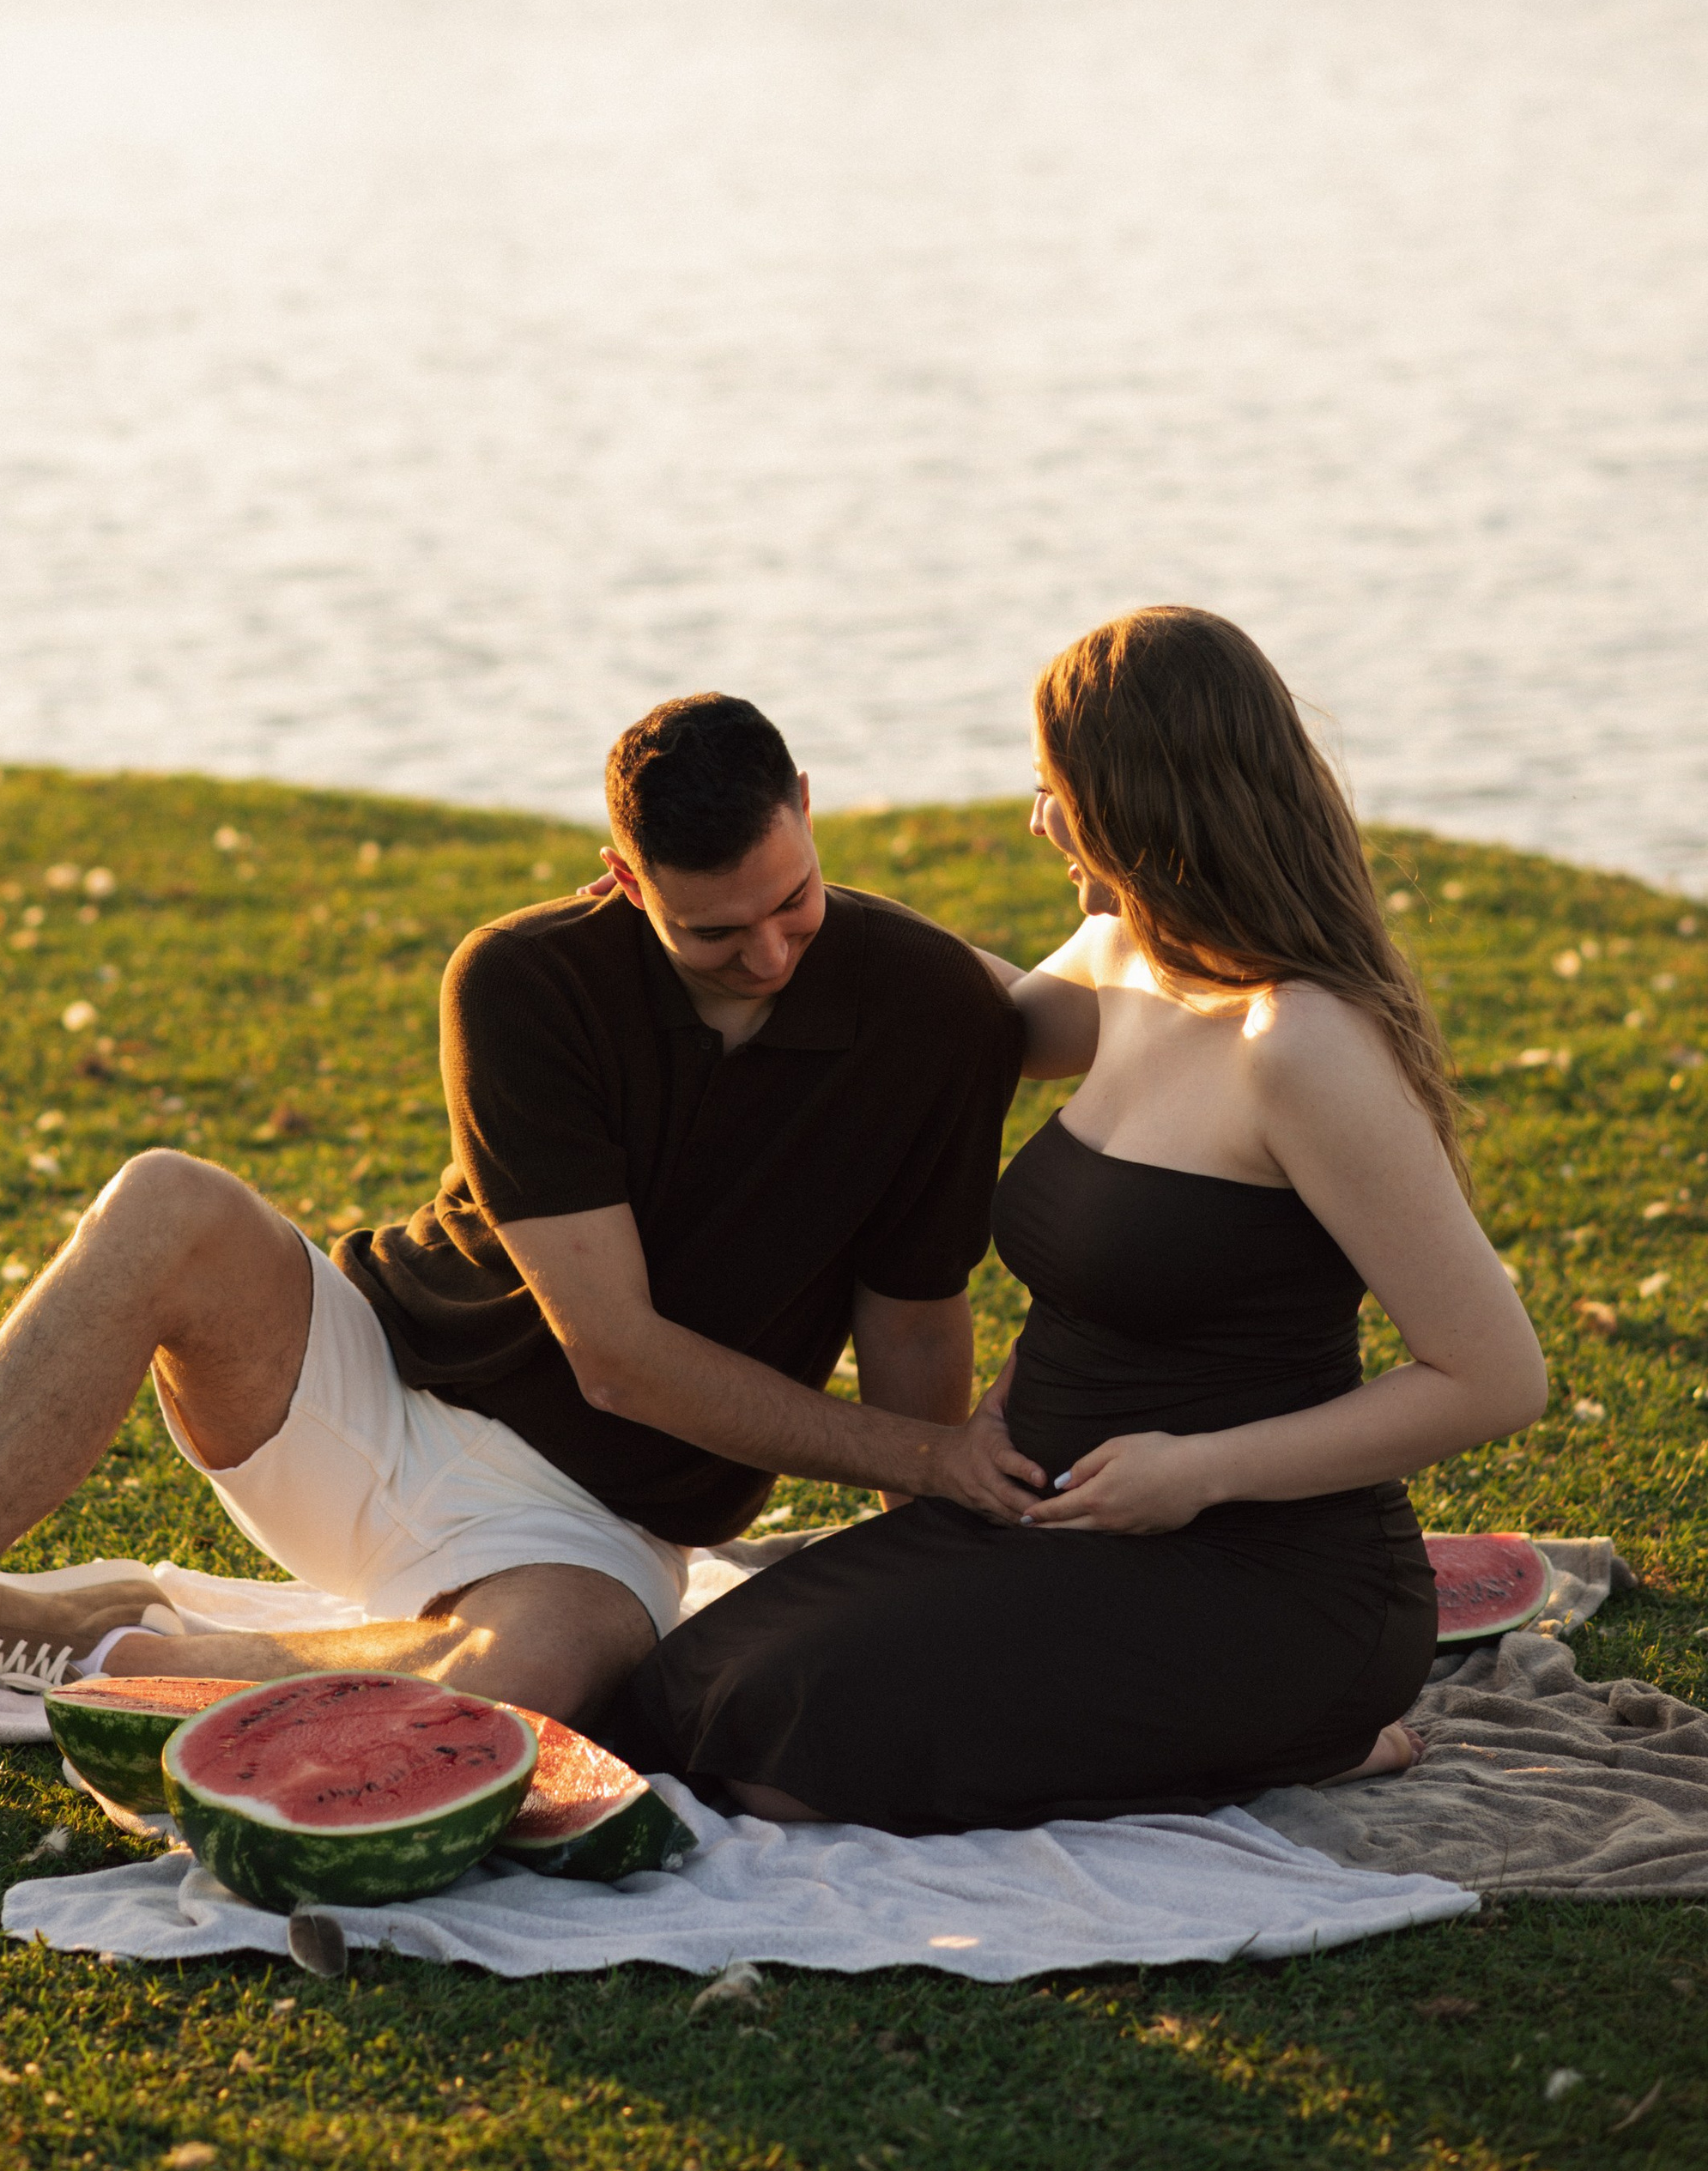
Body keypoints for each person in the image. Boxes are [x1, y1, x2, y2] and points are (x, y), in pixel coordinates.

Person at [0, 692, 1023, 1842]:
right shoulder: (524, 980)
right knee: (165, 1201)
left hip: (592, 1531)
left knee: (535, 1686)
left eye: (794, 901)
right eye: (716, 934)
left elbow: (917, 1333)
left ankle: (90, 1643)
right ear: (620, 879)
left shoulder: (935, 1019)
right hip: (374, 1389)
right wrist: (927, 1461)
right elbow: (613, 1351)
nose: (772, 951)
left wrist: (930, 1499)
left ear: (808, 805)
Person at [604, 610, 1549, 1834]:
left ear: (1139, 805)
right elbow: (956, 1006)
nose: (1038, 818)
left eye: (1057, 790)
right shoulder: (1126, 958)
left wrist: (1196, 1474)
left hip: (1264, 1577)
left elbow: (1496, 1378)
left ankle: (1311, 1735)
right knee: (693, 1694)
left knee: (789, 1764)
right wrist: (773, 906)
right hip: (1042, 1517)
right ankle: (1250, 1737)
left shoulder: (1303, 1048)